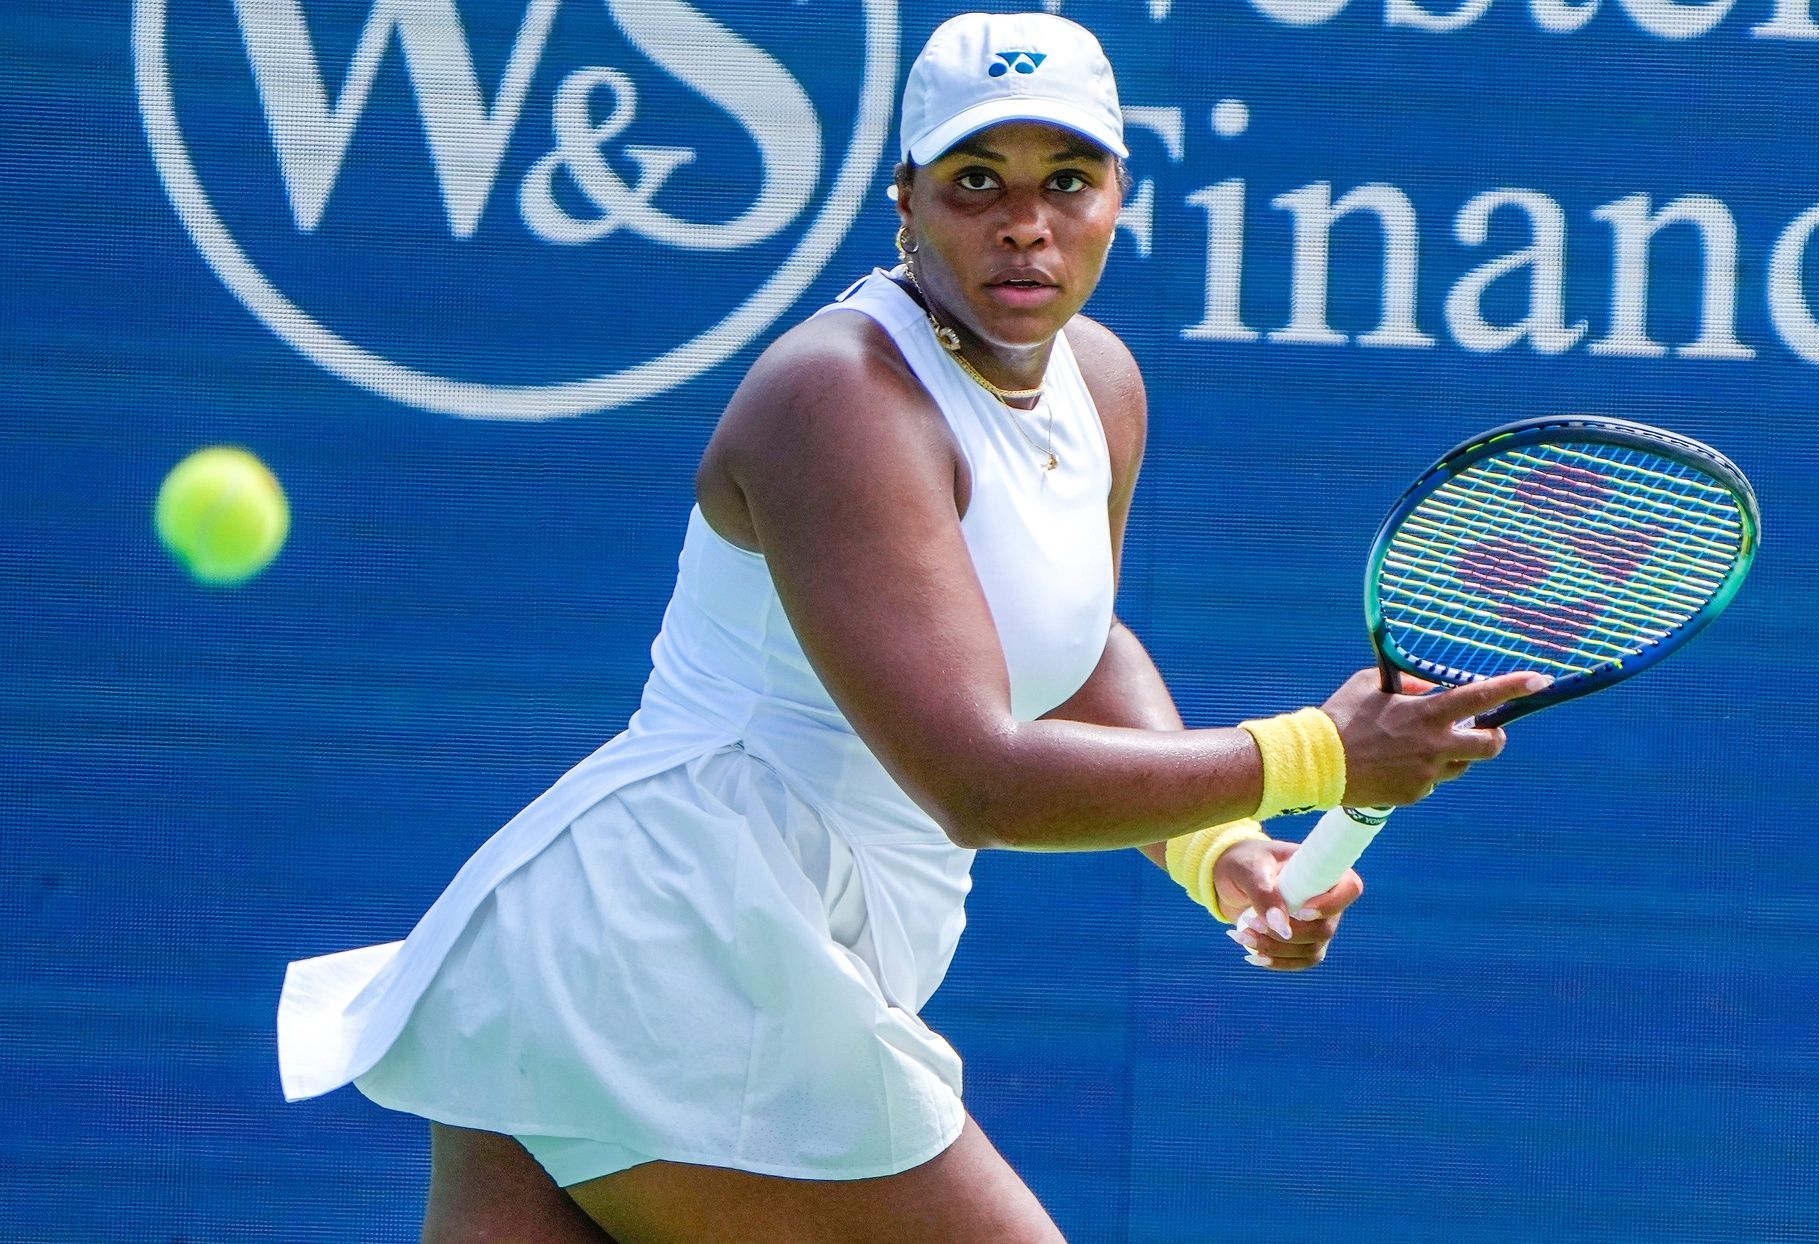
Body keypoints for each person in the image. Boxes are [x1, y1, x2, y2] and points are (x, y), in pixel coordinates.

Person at [277, 13, 1543, 1242]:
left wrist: (1217, 845)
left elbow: (1069, 644)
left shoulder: (1098, 380)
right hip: (680, 942)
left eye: (1068, 180)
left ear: (1118, 197)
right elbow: (977, 774)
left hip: (654, 959)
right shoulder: (840, 396)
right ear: (907, 198)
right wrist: (1319, 752)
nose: (1025, 223)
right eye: (977, 180)